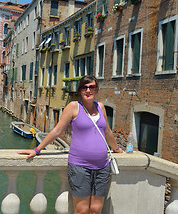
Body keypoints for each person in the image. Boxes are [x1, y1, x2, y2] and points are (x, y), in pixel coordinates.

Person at [18, 75, 123, 214]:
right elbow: (57, 130)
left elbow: (107, 131)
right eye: (85, 87)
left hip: (102, 166)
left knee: (96, 209)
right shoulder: (74, 107)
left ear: (97, 90)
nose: (88, 90)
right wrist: (37, 150)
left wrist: (116, 148)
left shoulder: (101, 107)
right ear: (80, 90)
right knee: (82, 210)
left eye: (92, 87)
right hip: (80, 166)